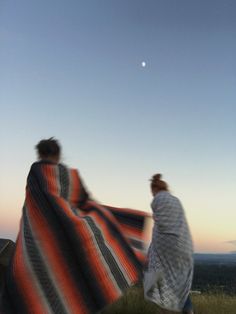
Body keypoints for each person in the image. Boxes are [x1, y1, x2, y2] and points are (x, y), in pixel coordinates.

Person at [0, 138, 148, 314]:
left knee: (31, 281)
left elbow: (34, 204)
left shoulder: (36, 171)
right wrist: (110, 219)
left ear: (40, 153)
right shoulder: (69, 176)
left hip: (36, 240)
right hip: (66, 237)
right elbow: (86, 203)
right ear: (58, 154)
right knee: (67, 277)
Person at [144, 174, 194, 314]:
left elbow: (161, 223)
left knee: (162, 279)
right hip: (184, 245)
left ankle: (166, 309)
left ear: (154, 189)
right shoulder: (176, 200)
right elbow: (177, 223)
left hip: (167, 247)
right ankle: (187, 310)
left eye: (151, 192)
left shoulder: (157, 200)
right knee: (180, 280)